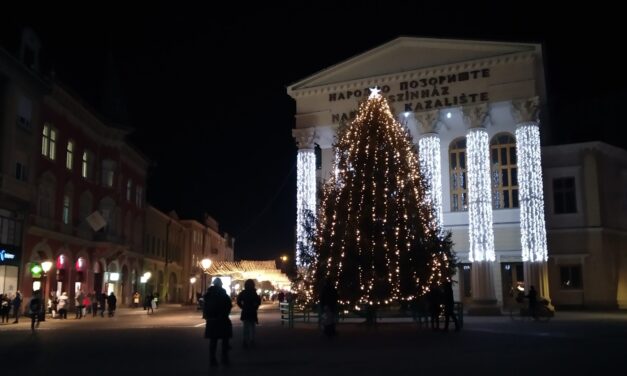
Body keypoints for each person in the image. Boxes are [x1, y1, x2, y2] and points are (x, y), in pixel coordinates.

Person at [203, 278, 233, 367]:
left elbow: (205, 306)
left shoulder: (208, 294)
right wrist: (225, 314)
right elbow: (229, 306)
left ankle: (212, 359)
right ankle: (224, 357)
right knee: (225, 339)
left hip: (212, 320)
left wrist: (207, 316)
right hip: (222, 319)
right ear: (220, 284)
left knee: (213, 341)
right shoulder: (223, 294)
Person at [236, 279, 261, 349]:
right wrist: (255, 307)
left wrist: (242, 307)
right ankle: (252, 340)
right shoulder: (254, 292)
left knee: (245, 327)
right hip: (252, 311)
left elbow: (238, 301)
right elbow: (258, 301)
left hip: (245, 311)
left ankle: (245, 340)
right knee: (252, 326)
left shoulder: (243, 292)